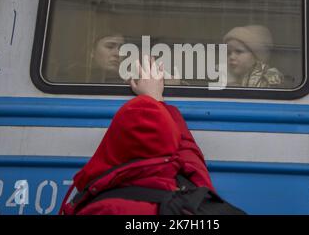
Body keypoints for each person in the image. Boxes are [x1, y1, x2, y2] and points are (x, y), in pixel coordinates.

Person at [60, 56, 245, 215]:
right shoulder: (193, 195)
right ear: (170, 139)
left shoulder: (101, 208)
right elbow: (189, 154)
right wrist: (157, 100)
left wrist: (151, 99)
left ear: (112, 141)